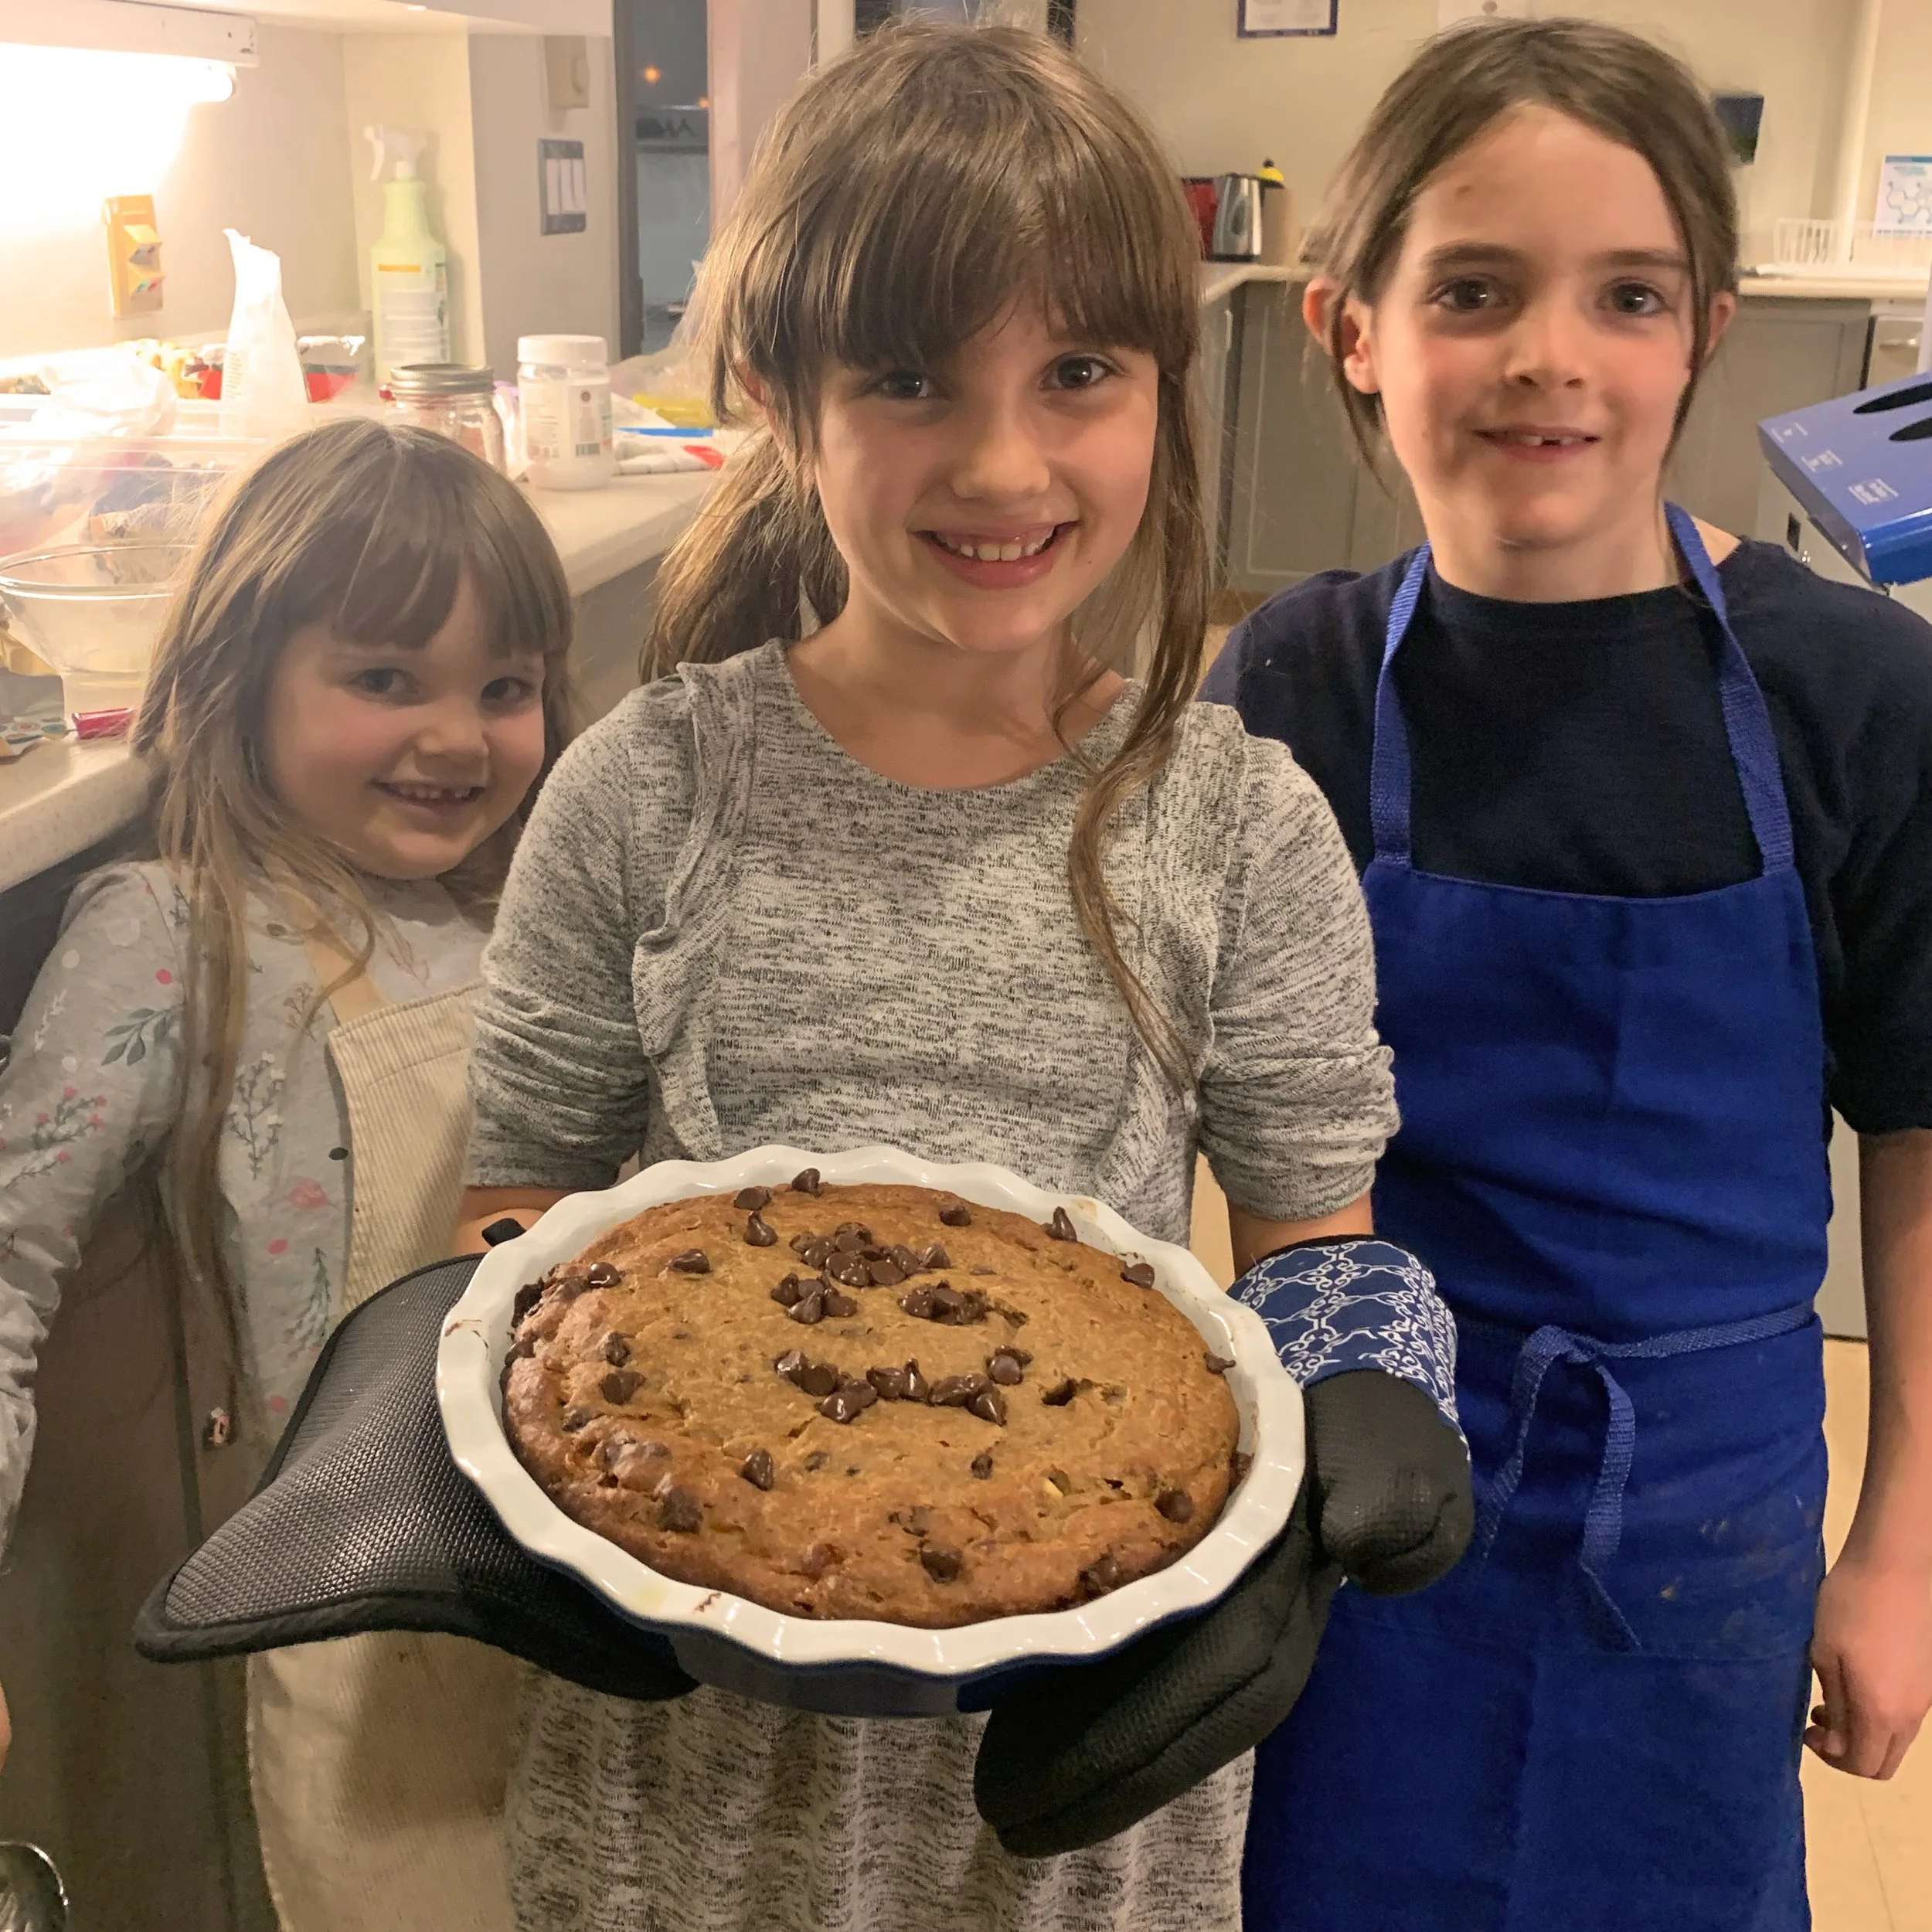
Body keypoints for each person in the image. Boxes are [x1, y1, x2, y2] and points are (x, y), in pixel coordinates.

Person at [454, 22, 1470, 1932]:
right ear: (777, 393)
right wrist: (466, 1416)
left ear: (1168, 386)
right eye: (909, 377)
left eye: (1075, 370)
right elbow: (529, 1197)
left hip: (1072, 1760)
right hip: (682, 1763)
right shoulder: (644, 788)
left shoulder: (1235, 823)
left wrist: (1367, 1389)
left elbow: (1310, 1240)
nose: (1003, 460)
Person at [1203, 19, 1932, 1930]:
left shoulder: (1852, 694)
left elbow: (1924, 1134)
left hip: (1698, 1514)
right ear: (1346, 326)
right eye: (1471, 288)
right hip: (1353, 1478)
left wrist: (1905, 1538)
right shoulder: (1281, 685)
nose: (1548, 353)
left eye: (1624, 294)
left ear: (1699, 328)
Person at [0, 417, 575, 1929]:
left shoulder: (532, 924)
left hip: (559, 1591)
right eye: (384, 677)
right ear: (238, 672)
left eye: (501, 687)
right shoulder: (178, 932)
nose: (456, 735)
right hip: (340, 1617)